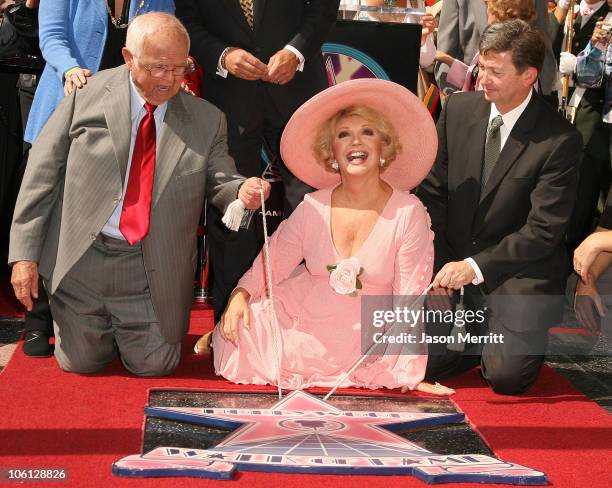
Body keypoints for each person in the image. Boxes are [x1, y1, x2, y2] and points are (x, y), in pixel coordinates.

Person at [9, 13, 270, 377]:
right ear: (129, 58)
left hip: (150, 268)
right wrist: (24, 256)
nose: (171, 79)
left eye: (180, 68)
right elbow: (41, 173)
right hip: (84, 258)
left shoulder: (207, 119)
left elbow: (221, 178)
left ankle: (126, 326)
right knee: (80, 363)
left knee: (156, 366)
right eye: (159, 68)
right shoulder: (86, 96)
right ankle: (95, 324)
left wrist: (241, 191)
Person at [196, 78, 455, 396]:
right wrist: (240, 296)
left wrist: (407, 373)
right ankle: (218, 336)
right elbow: (272, 263)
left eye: (367, 133)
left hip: (367, 332)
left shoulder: (409, 212)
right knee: (242, 329)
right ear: (332, 152)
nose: (355, 143)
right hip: (305, 320)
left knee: (381, 367)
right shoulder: (312, 205)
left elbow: (408, 300)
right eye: (344, 135)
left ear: (383, 147)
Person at [417, 19, 582, 395]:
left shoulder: (559, 140)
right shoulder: (457, 109)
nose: (483, 79)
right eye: (482, 68)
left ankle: (496, 339)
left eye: (496, 71)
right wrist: (439, 264)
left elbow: (544, 231)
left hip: (517, 276)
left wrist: (474, 268)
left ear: (529, 76)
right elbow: (433, 194)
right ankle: (473, 339)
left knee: (506, 379)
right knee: (416, 361)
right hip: (451, 265)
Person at [16, 0, 176, 357]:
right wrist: (70, 68)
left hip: (127, 124)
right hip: (65, 108)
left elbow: (167, 35)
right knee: (51, 216)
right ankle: (37, 321)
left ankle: (102, 319)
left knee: (102, 220)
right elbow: (53, 37)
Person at [175, 0, 341, 322]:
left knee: (313, 207)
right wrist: (223, 56)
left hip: (298, 91)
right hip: (229, 98)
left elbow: (323, 7)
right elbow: (187, 20)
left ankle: (311, 320)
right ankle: (231, 324)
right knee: (235, 210)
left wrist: (296, 51)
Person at [553, 0, 611, 252]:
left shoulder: (607, 16)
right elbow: (549, 46)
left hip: (594, 112)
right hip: (564, 106)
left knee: (586, 183)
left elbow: (594, 75)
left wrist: (577, 65)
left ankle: (578, 243)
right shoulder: (568, 13)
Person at [434, 0, 556, 97]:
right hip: (468, 97)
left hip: (522, 98)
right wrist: (454, 100)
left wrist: (542, 100)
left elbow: (543, 42)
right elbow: (447, 46)